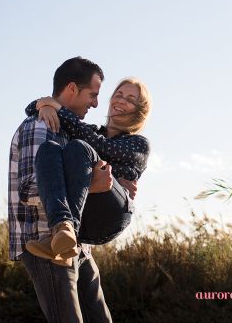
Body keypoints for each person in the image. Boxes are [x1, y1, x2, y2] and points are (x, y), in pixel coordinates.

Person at [8, 56, 118, 323]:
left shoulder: (69, 128)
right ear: (71, 88)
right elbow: (29, 189)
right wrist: (91, 185)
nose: (95, 104)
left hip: (78, 245)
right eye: (92, 95)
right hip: (45, 243)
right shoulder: (41, 125)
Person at [22, 77, 151, 264]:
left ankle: (68, 232)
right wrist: (46, 107)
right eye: (119, 94)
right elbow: (29, 108)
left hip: (110, 214)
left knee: (79, 147)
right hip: (83, 213)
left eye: (130, 99)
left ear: (140, 111)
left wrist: (58, 109)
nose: (122, 100)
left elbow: (100, 146)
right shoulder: (90, 131)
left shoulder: (139, 143)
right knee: (48, 148)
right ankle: (63, 232)